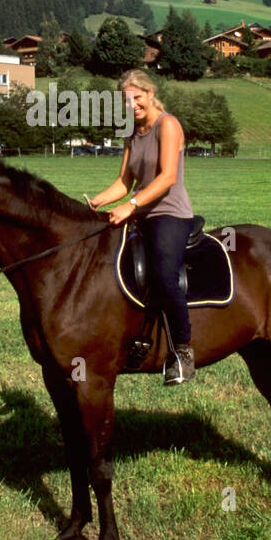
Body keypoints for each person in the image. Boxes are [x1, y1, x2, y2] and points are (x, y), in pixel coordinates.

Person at [86, 69, 195, 383]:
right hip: (139, 214)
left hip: (169, 214)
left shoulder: (168, 125)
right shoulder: (131, 132)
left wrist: (130, 205)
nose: (132, 105)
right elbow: (124, 182)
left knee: (163, 274)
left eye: (137, 98)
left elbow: (167, 177)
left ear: (150, 94)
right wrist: (95, 203)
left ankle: (184, 351)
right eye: (126, 100)